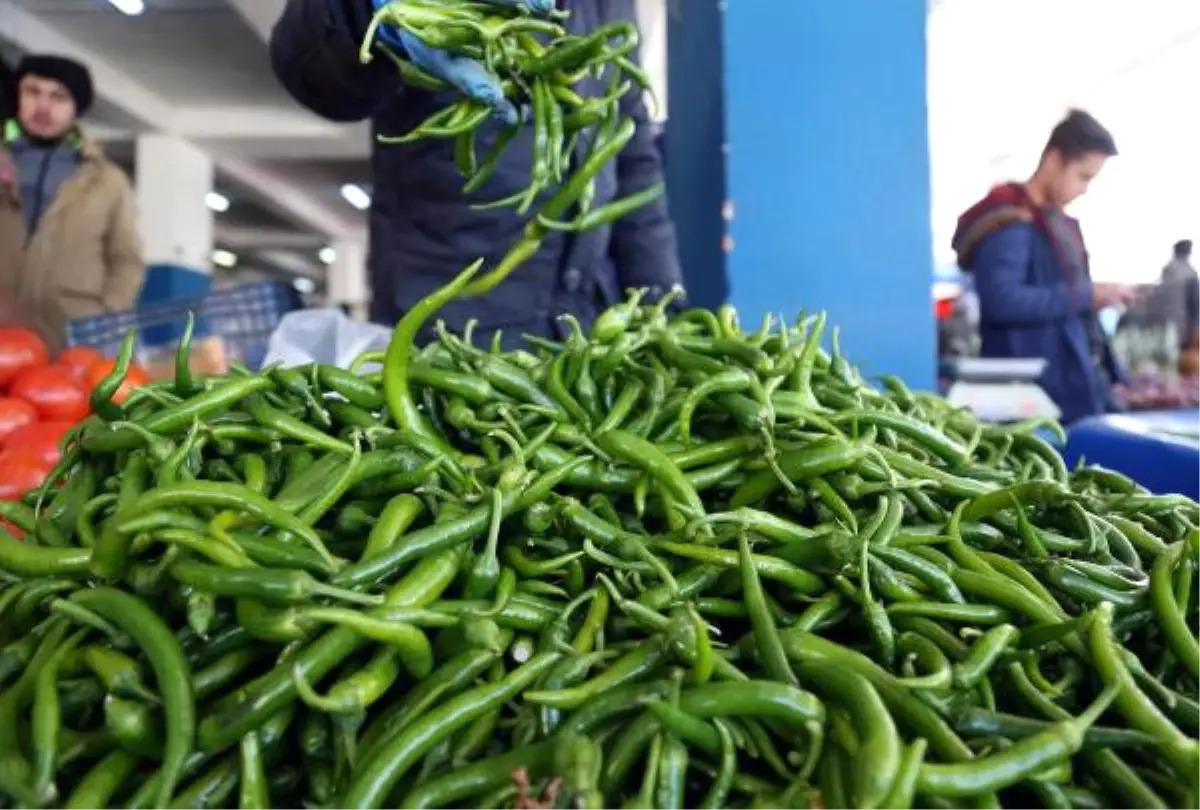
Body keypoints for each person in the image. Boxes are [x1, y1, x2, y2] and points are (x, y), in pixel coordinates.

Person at [269, 0, 681, 345]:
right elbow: (306, 69)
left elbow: (631, 152)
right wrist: (364, 9)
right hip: (450, 321)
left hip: (585, 314)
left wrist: (661, 299)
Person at [951, 109, 1137, 424]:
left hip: (1057, 388)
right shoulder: (1011, 223)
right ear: (1053, 160)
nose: (1084, 189)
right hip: (1029, 395)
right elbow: (1002, 300)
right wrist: (1086, 296)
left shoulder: (1048, 224)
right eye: (1083, 176)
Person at [0, 55, 144, 349]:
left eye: (58, 97)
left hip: (72, 337)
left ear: (75, 107)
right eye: (32, 92)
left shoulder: (107, 180)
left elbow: (127, 260)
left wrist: (106, 317)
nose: (43, 106)